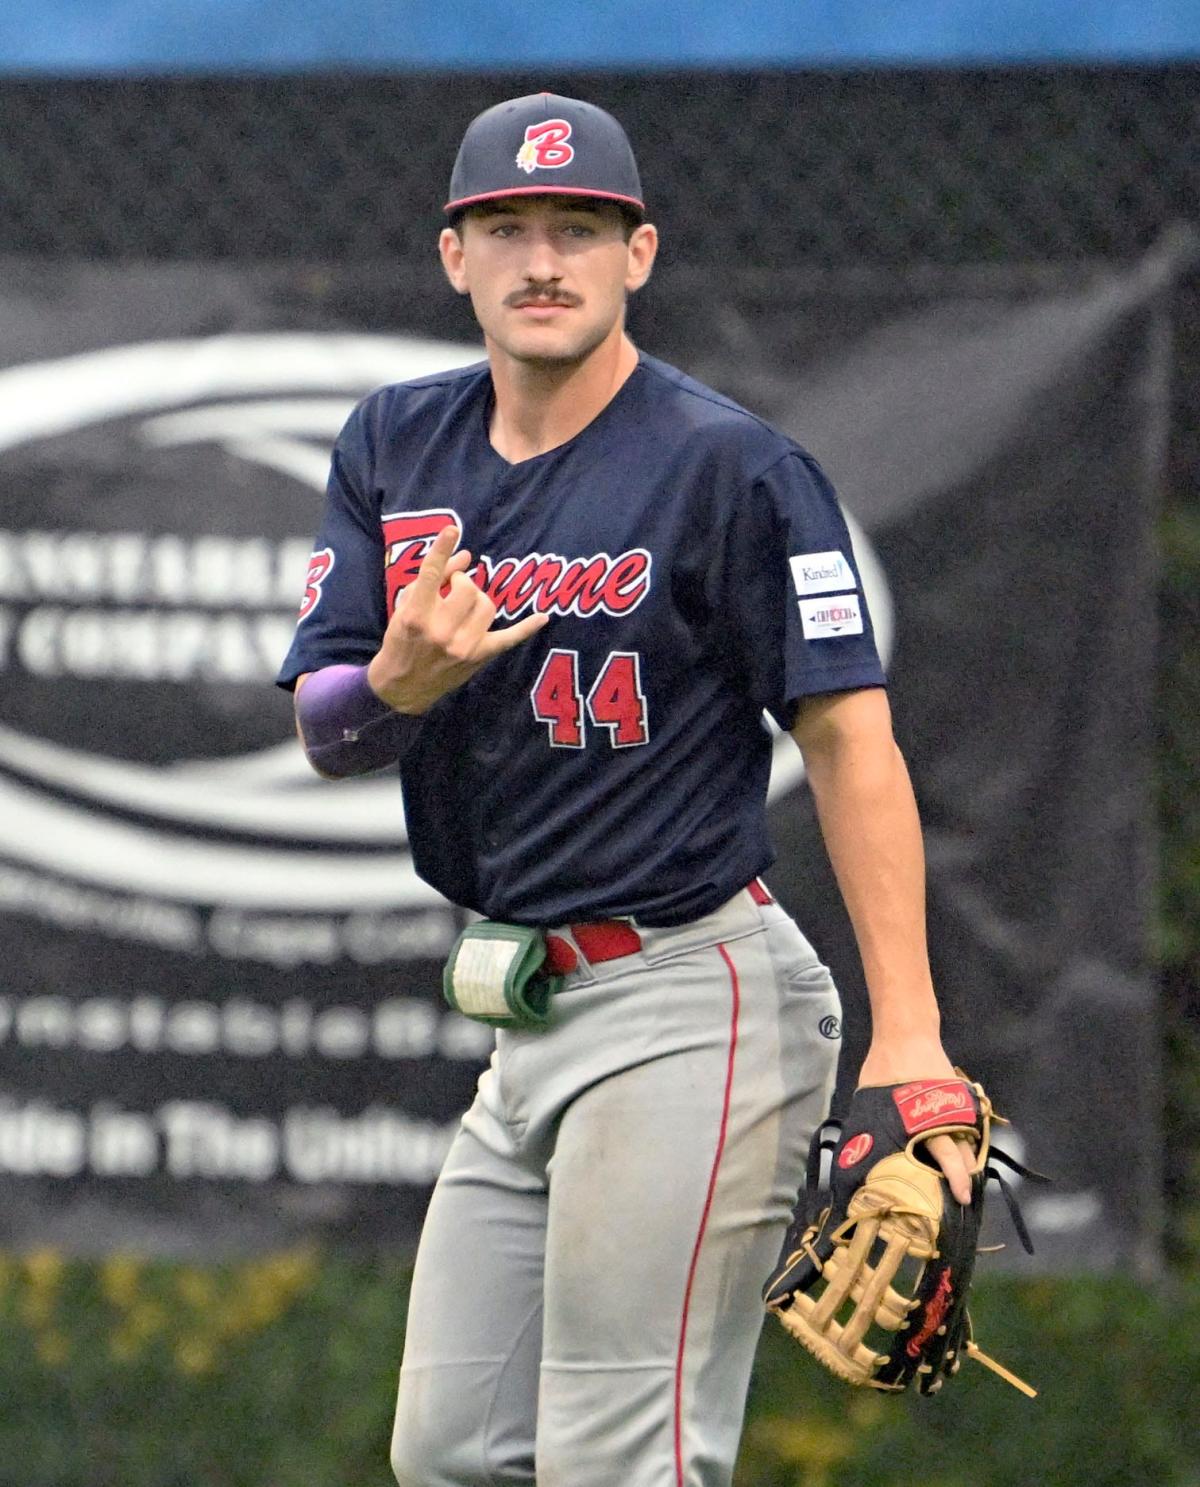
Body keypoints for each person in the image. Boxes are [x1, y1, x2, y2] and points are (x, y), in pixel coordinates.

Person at [277, 91, 972, 1487]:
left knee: (624, 1462)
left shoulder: (732, 467)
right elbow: (330, 727)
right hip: (527, 1017)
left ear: (637, 254)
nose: (546, 260)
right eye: (510, 228)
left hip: (690, 999)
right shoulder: (396, 446)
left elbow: (849, 739)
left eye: (580, 229)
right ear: (453, 257)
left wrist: (912, 1037)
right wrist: (400, 688)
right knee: (455, 1453)